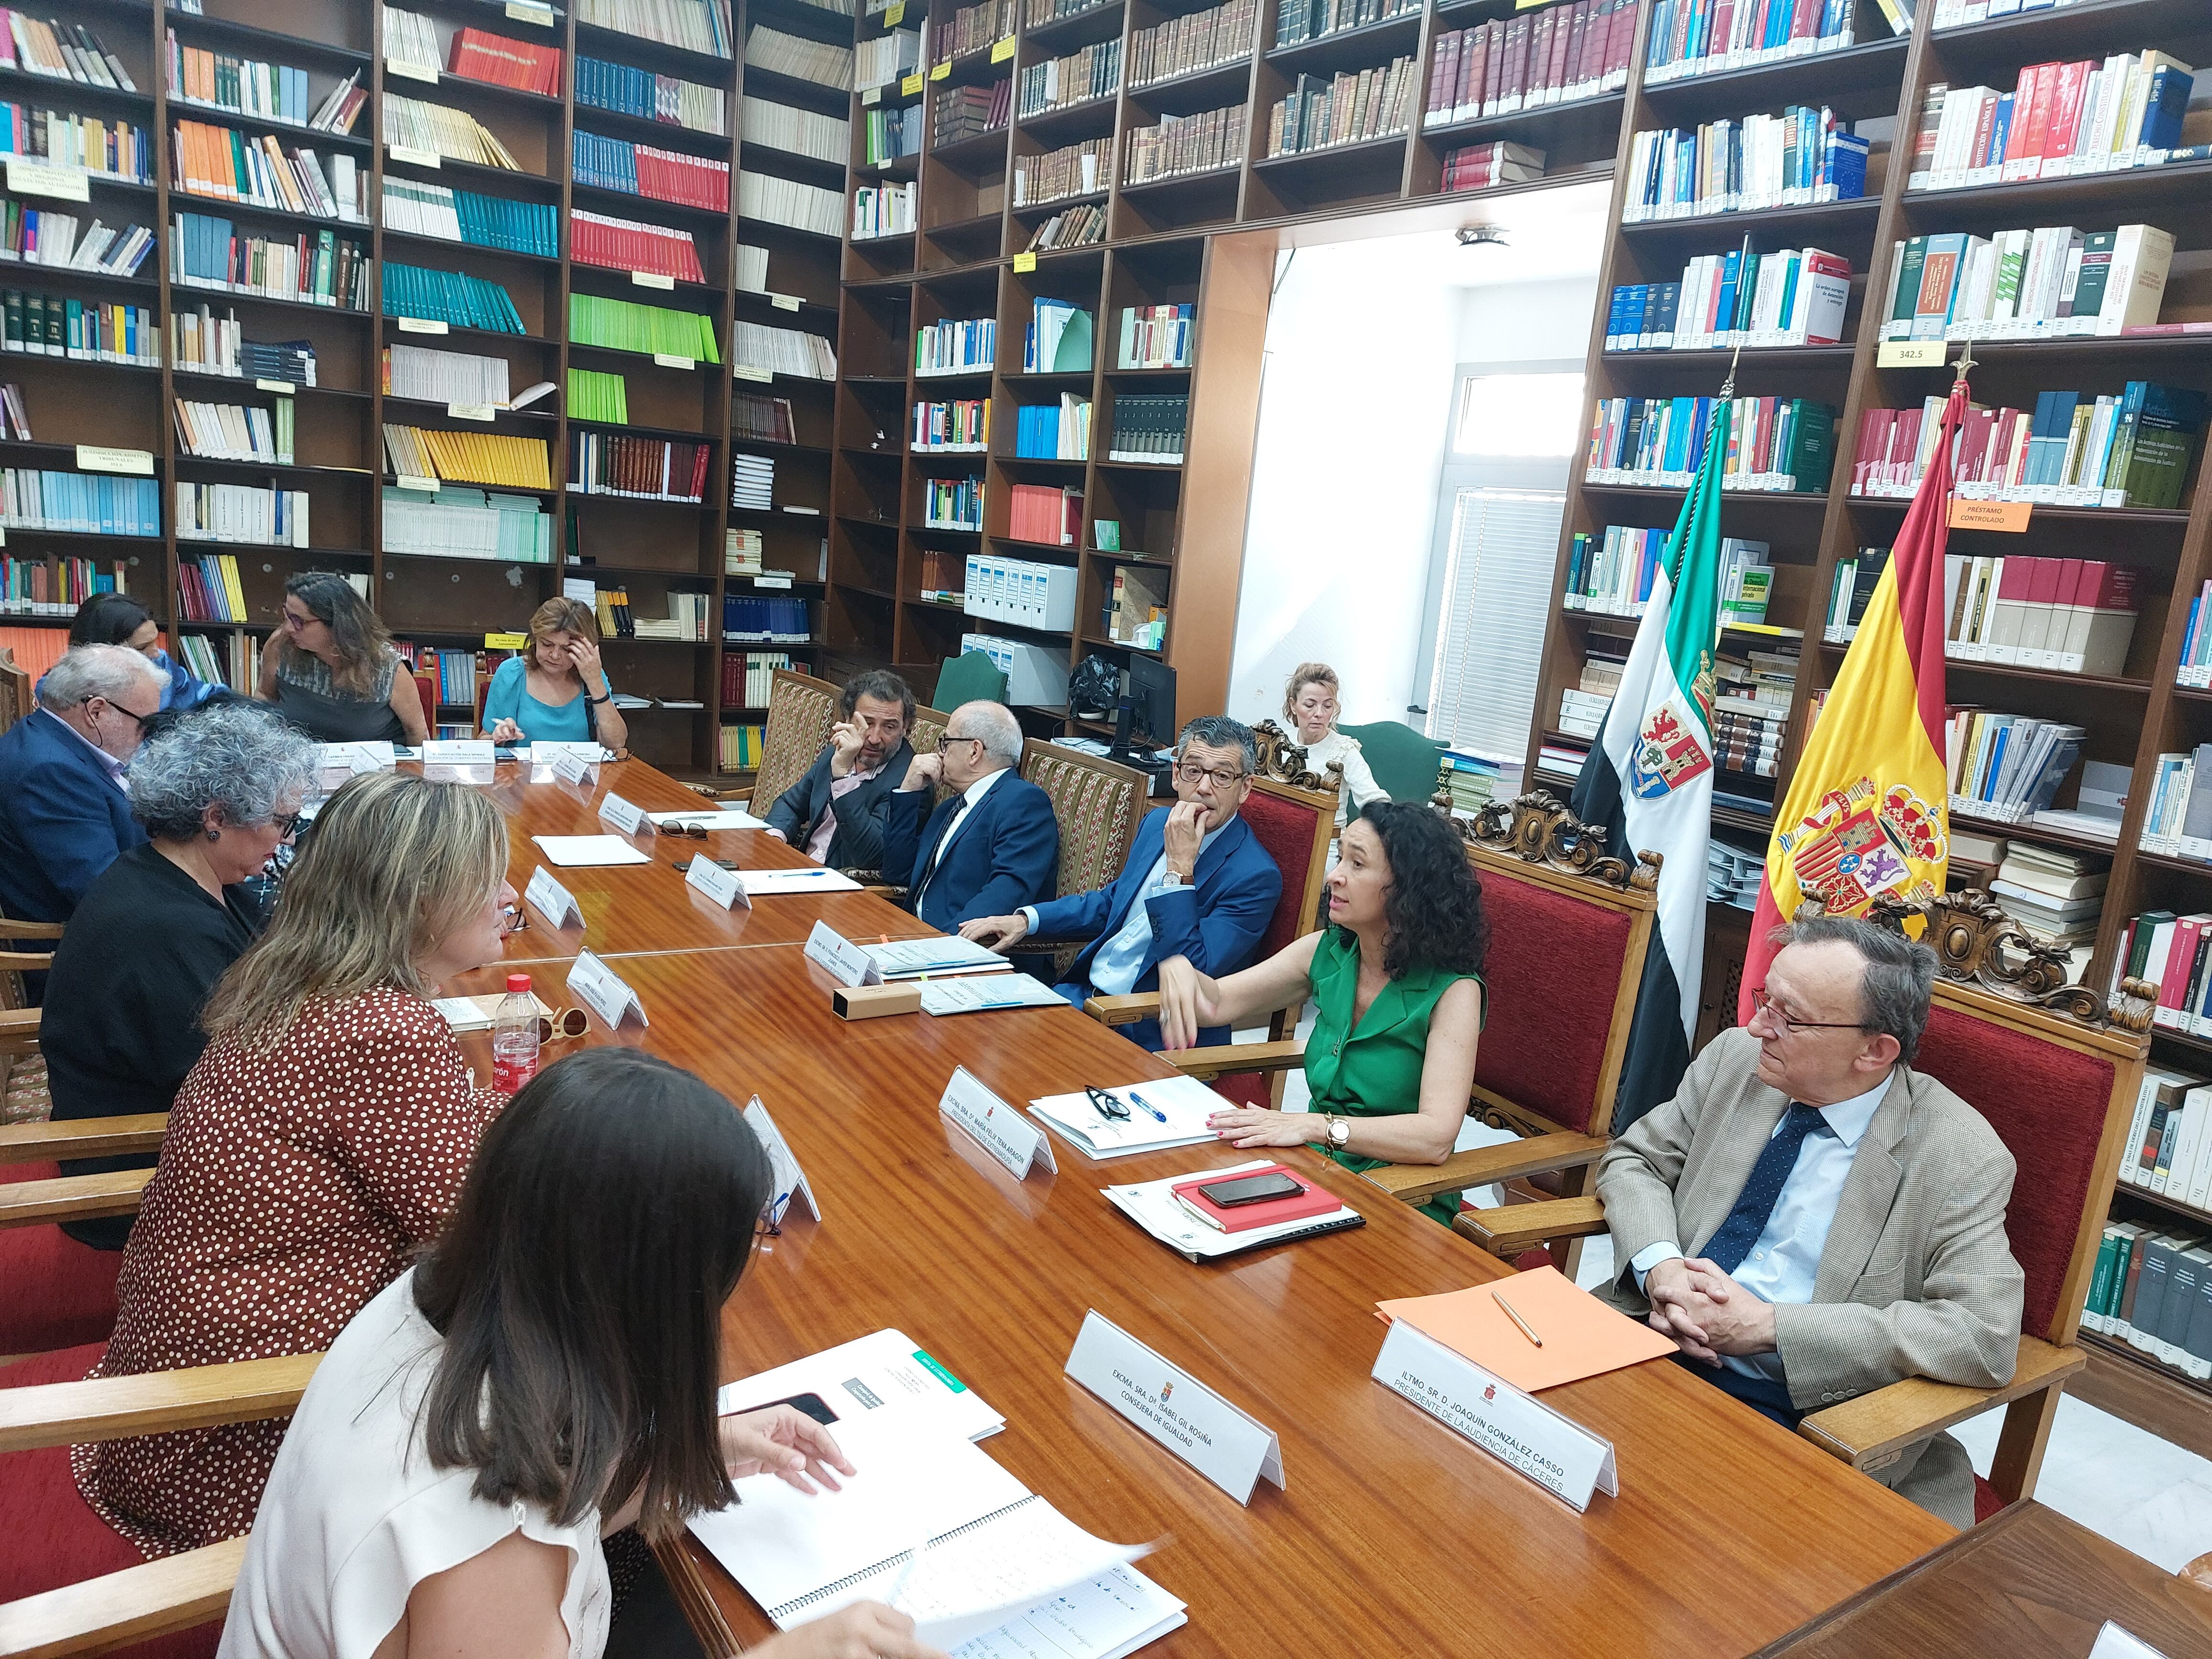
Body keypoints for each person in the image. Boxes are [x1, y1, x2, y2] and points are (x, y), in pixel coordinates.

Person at [218, 1048, 941, 1659]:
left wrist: (677, 1459)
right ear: (656, 1295)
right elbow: (498, 1536)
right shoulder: (492, 1544)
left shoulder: (447, 1299)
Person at [73, 769, 517, 1558]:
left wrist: (514, 1118)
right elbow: (476, 1235)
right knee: (580, 1444)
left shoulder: (304, 976)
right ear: (417, 898)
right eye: (486, 881)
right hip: (251, 1425)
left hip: (179, 1377)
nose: (508, 898)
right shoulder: (383, 1028)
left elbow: (418, 1134)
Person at [1593, 915, 2024, 1527]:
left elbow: (1982, 1335)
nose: (1755, 1026)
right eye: (1764, 999)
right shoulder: (1736, 1061)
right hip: (1648, 1342)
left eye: (1788, 1018)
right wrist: (1661, 1268)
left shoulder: (1959, 1154)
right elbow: (1636, 1159)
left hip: (1808, 1413)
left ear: (1874, 1051)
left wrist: (1770, 1327)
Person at [40, 701, 318, 1250]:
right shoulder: (165, 928)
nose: (285, 840)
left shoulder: (179, 873)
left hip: (182, 1125)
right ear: (215, 818)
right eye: (282, 823)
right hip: (142, 1176)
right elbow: (235, 1086)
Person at [1154, 803, 1486, 1226]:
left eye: (1358, 863)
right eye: (1341, 856)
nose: (1335, 876)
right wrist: (1182, 968)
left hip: (1404, 1197)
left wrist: (1313, 1127)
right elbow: (1216, 1003)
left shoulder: (1454, 990)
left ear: (1407, 888)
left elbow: (1435, 1139)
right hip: (1317, 1172)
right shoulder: (1329, 950)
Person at [960, 716, 1281, 1051]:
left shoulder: (1255, 877)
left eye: (1223, 776)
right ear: (1175, 774)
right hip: (1082, 998)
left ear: (1245, 788)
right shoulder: (1158, 822)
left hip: (1147, 1030)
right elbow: (1112, 903)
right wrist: (1026, 920)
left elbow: (1191, 973)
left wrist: (1179, 871)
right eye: (1194, 770)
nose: (1203, 787)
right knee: (972, 1036)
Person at [0, 643, 164, 925]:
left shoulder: (47, 737)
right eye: (145, 723)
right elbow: (106, 894)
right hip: (90, 952)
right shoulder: (50, 772)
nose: (148, 736)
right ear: (97, 712)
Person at [879, 699, 1057, 932]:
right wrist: (908, 792)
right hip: (912, 934)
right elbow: (897, 874)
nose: (939, 753)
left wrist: (940, 944)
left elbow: (1003, 896)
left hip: (962, 952)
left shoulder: (1024, 803)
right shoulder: (950, 807)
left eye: (945, 743)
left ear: (975, 751)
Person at [762, 670, 915, 870]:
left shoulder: (908, 781)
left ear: (905, 727)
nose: (875, 738)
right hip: (799, 868)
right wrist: (775, 840)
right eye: (867, 723)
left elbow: (870, 854)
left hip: (842, 886)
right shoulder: (838, 752)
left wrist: (844, 777)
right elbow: (791, 804)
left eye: (889, 727)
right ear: (848, 718)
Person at [256, 571, 430, 746]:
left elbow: (416, 731)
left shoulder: (387, 667)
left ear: (337, 624)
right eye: (287, 616)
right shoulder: (281, 646)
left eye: (298, 621)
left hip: (373, 770)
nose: (289, 628)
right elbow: (265, 696)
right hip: (302, 764)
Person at [480, 596, 628, 752]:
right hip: (522, 775)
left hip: (579, 775)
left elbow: (616, 743)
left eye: (566, 649)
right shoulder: (512, 673)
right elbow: (482, 743)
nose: (555, 655)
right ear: (535, 638)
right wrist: (497, 737)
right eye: (547, 644)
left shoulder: (592, 675)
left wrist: (596, 682)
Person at [66, 591, 224, 710]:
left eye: (155, 640)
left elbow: (207, 696)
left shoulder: (160, 663)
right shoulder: (65, 696)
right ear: (101, 651)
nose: (157, 653)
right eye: (142, 648)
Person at [1283, 663, 1386, 836]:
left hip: (1325, 845)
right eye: (1310, 705)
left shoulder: (1344, 751)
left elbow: (1376, 802)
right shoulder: (1281, 743)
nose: (1319, 714)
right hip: (1282, 837)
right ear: (1293, 705)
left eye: (1327, 706)